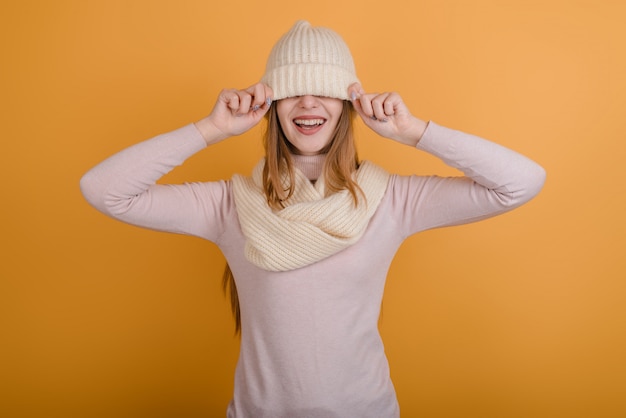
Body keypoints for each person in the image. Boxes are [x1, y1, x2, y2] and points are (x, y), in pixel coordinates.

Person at [80, 20, 545, 418]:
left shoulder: (392, 200)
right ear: (272, 107)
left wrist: (414, 131)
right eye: (290, 92)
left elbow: (520, 182)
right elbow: (104, 191)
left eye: (323, 91)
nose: (307, 104)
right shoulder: (230, 205)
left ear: (347, 105)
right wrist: (211, 129)